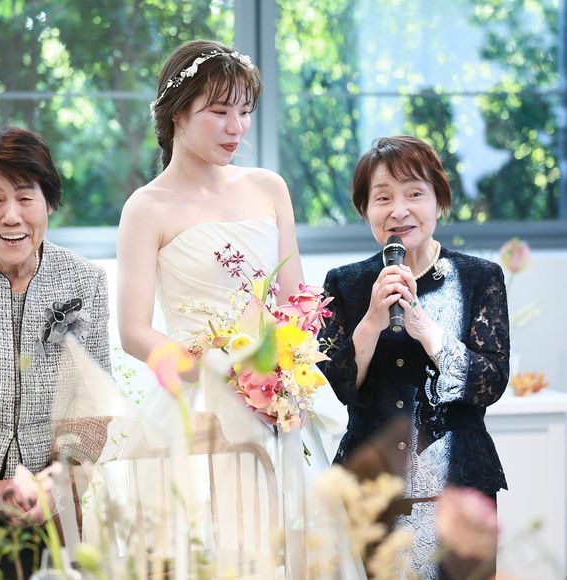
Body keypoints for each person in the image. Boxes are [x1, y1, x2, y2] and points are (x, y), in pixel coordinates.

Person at [116, 39, 347, 576]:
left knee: (294, 547)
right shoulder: (146, 207)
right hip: (198, 401)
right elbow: (133, 331)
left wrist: (279, 369)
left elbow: (297, 302)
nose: (236, 128)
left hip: (279, 397)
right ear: (177, 113)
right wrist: (223, 373)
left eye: (244, 112)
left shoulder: (268, 188)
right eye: (219, 112)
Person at [317, 135, 509, 579]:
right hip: (370, 498)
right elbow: (335, 388)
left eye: (415, 194)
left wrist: (430, 333)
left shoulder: (479, 278)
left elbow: (491, 381)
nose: (398, 210)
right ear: (366, 209)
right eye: (383, 198)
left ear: (439, 201)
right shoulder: (344, 284)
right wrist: (371, 321)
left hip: (458, 498)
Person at [0, 126, 112, 576]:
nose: (11, 216)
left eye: (26, 197)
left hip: (55, 499)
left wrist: (55, 486)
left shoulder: (85, 281)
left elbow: (92, 408)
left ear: (49, 203)